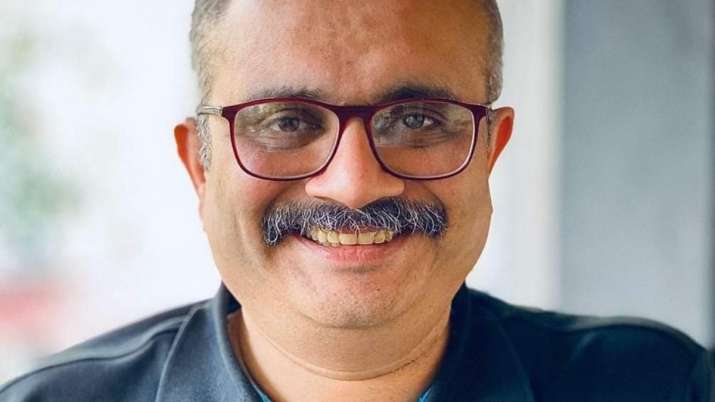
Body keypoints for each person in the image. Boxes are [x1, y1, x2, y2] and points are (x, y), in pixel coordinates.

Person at [1, 1, 712, 401]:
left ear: (491, 153)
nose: (354, 183)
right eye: (286, 120)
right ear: (201, 167)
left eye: (417, 119)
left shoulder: (662, 386)